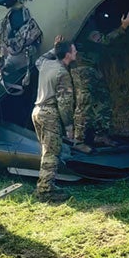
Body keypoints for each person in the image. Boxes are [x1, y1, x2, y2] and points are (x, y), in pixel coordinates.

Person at [71, 11, 129, 151]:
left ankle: (100, 135)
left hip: (92, 69)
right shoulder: (86, 29)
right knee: (84, 104)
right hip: (83, 70)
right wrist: (123, 28)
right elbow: (104, 40)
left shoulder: (87, 26)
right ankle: (78, 141)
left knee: (104, 101)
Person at [32, 39, 77, 202]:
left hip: (37, 111)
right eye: (74, 50)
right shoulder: (62, 74)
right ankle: (45, 191)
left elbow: (38, 59)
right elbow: (65, 103)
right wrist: (69, 126)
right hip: (50, 113)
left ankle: (45, 184)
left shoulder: (45, 64)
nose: (76, 52)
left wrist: (54, 47)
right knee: (52, 153)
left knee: (46, 151)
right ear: (68, 55)